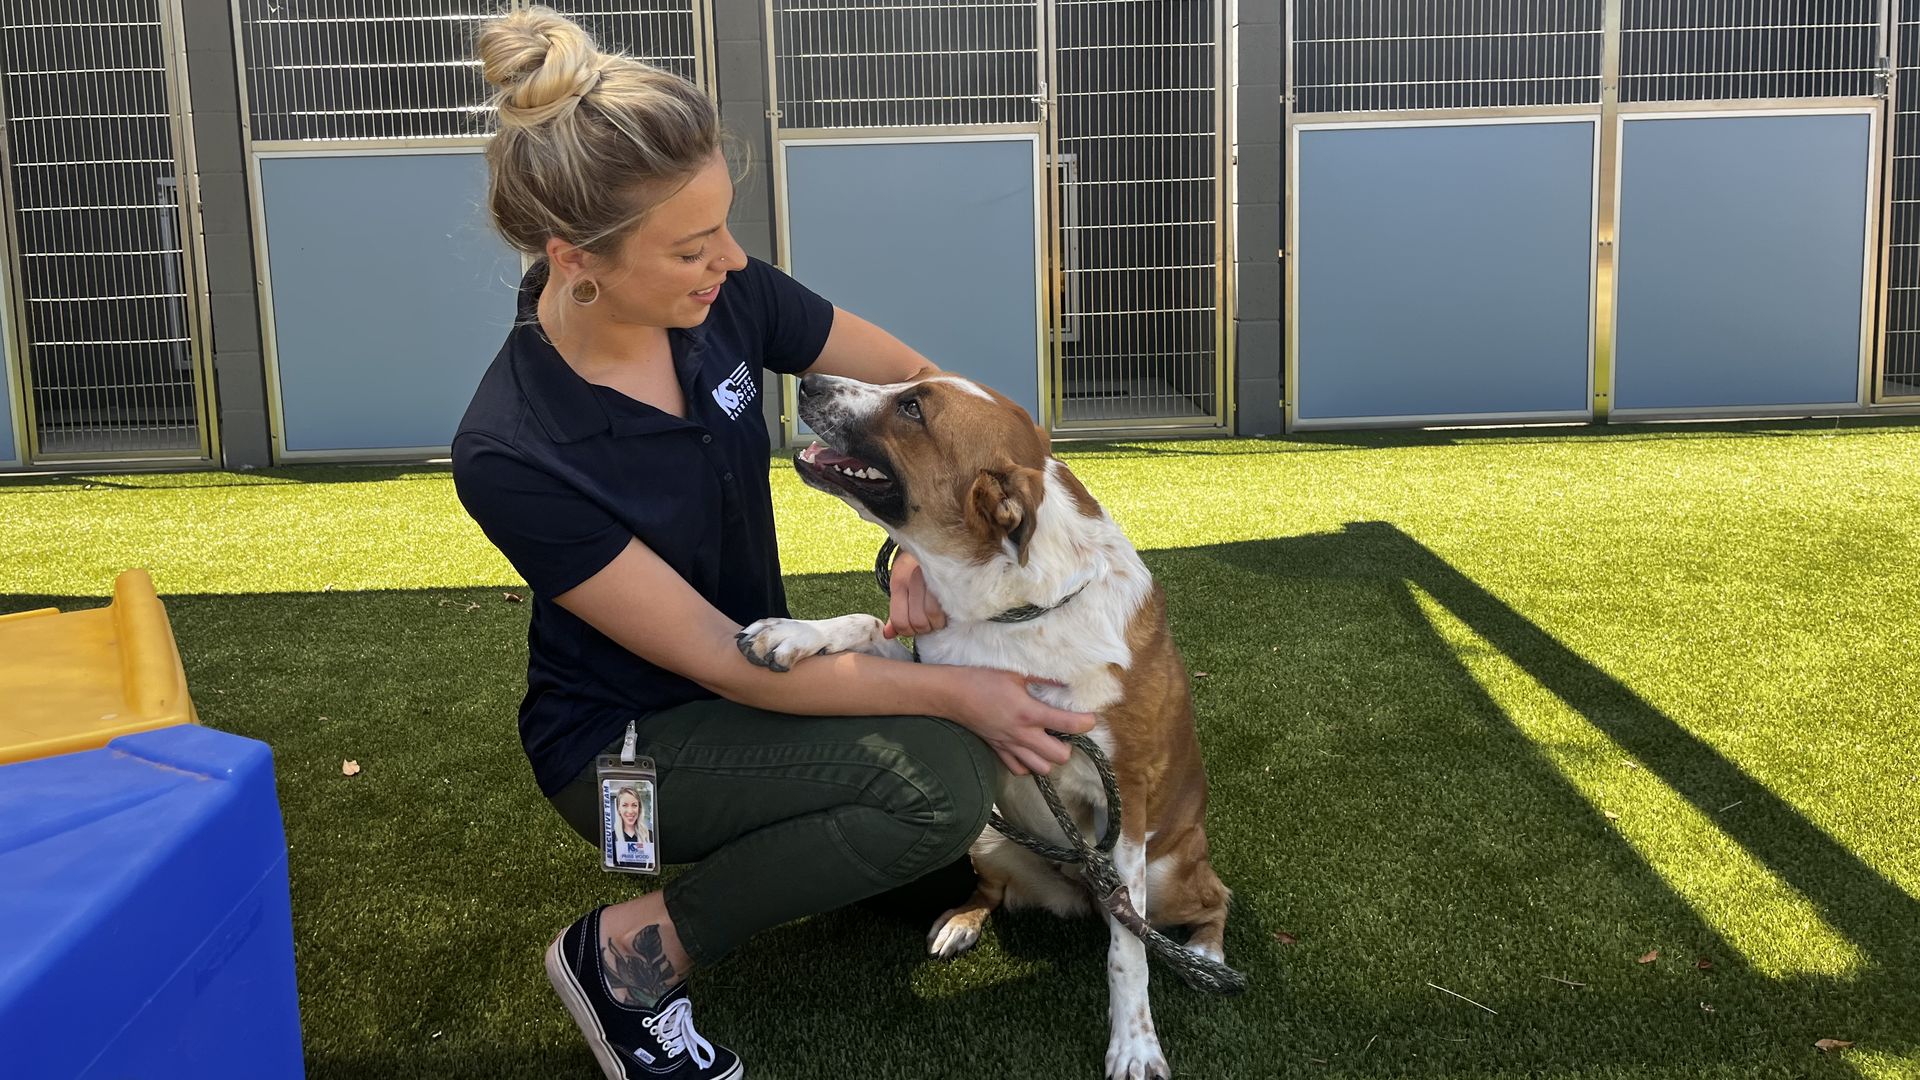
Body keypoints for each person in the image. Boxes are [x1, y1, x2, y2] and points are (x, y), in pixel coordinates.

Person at [454, 9, 1096, 1079]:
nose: (732, 263)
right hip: (621, 760)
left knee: (933, 838)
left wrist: (912, 551)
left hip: (747, 686)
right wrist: (958, 695)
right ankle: (621, 958)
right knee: (944, 781)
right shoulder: (514, 447)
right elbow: (721, 661)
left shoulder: (729, 299)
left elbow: (927, 400)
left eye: (727, 226)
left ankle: (831, 836)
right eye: (694, 246)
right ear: (576, 262)